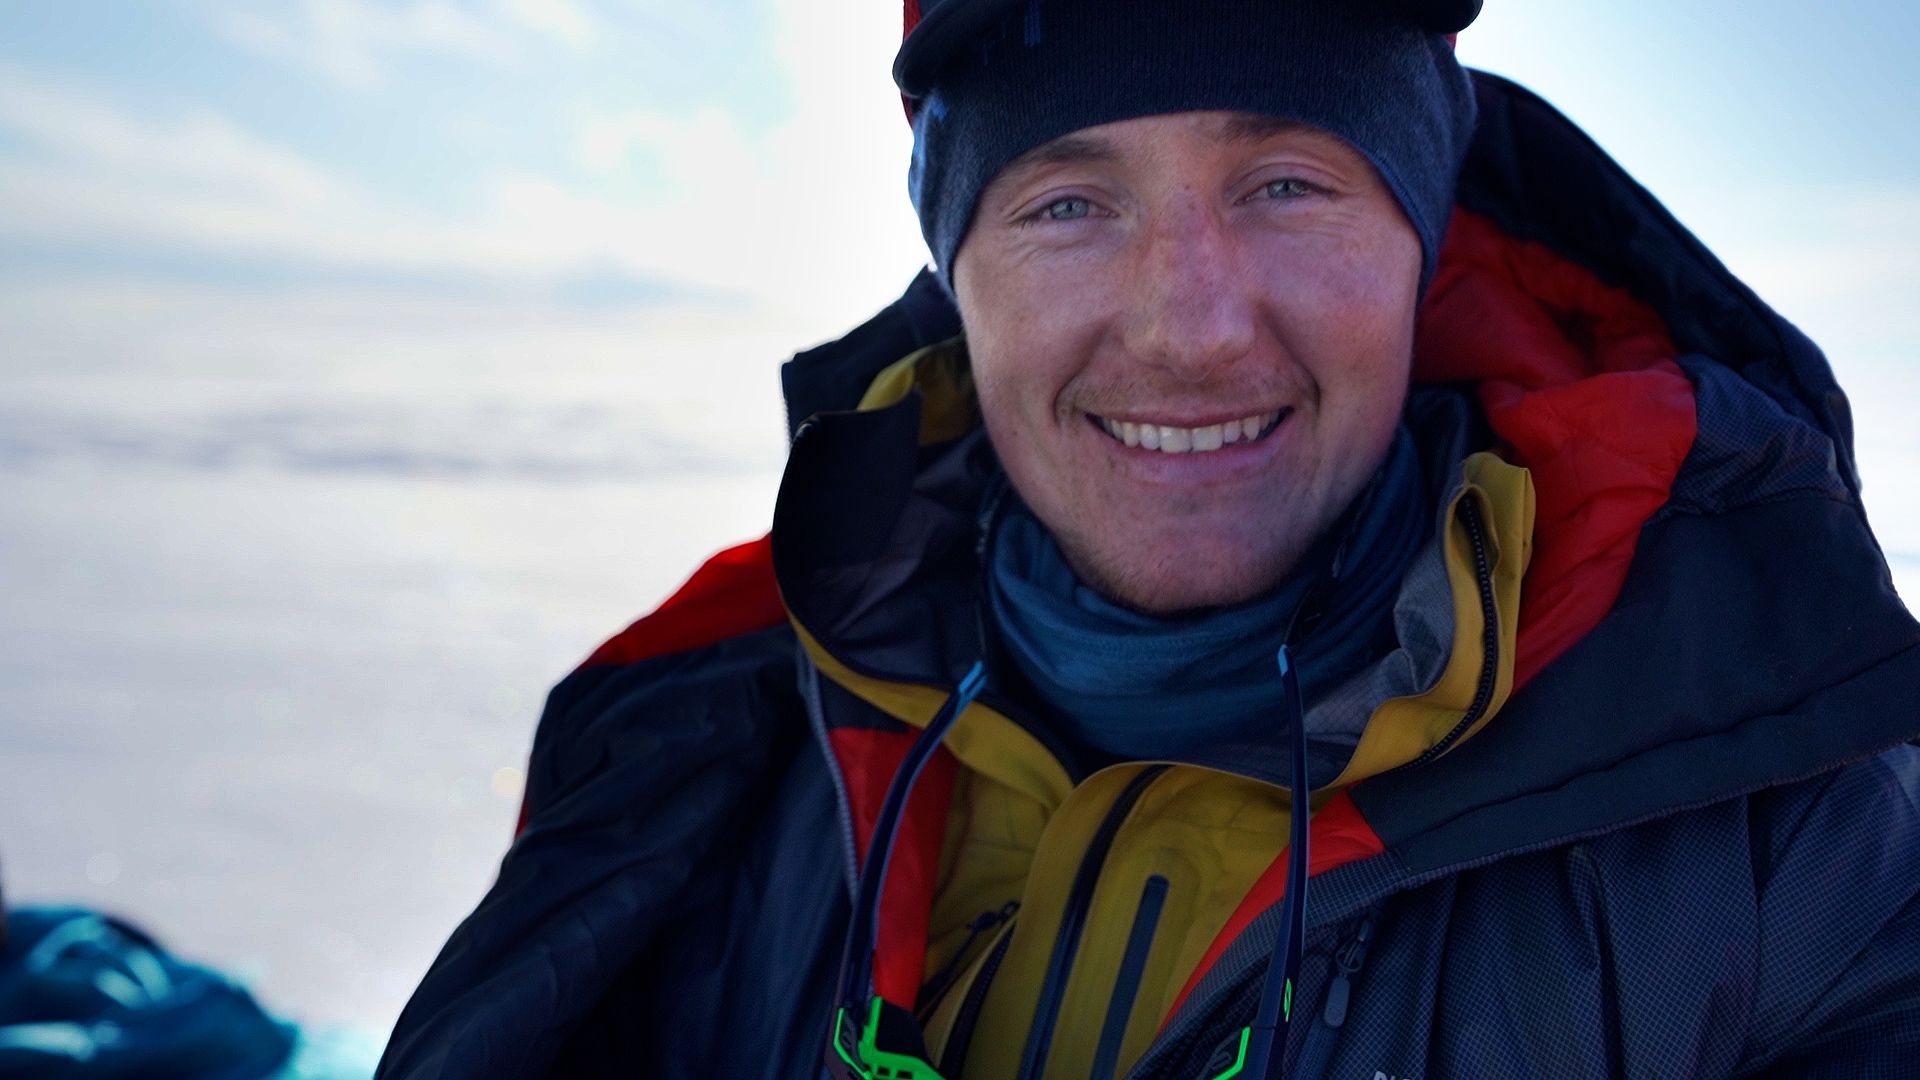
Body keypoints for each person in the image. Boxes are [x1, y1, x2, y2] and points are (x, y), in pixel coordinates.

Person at [377, 1, 1920, 1076]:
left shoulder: (1799, 849)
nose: (1190, 326)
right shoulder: (692, 747)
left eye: (1287, 183)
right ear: (957, 270)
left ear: (1422, 239)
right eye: (1069, 203)